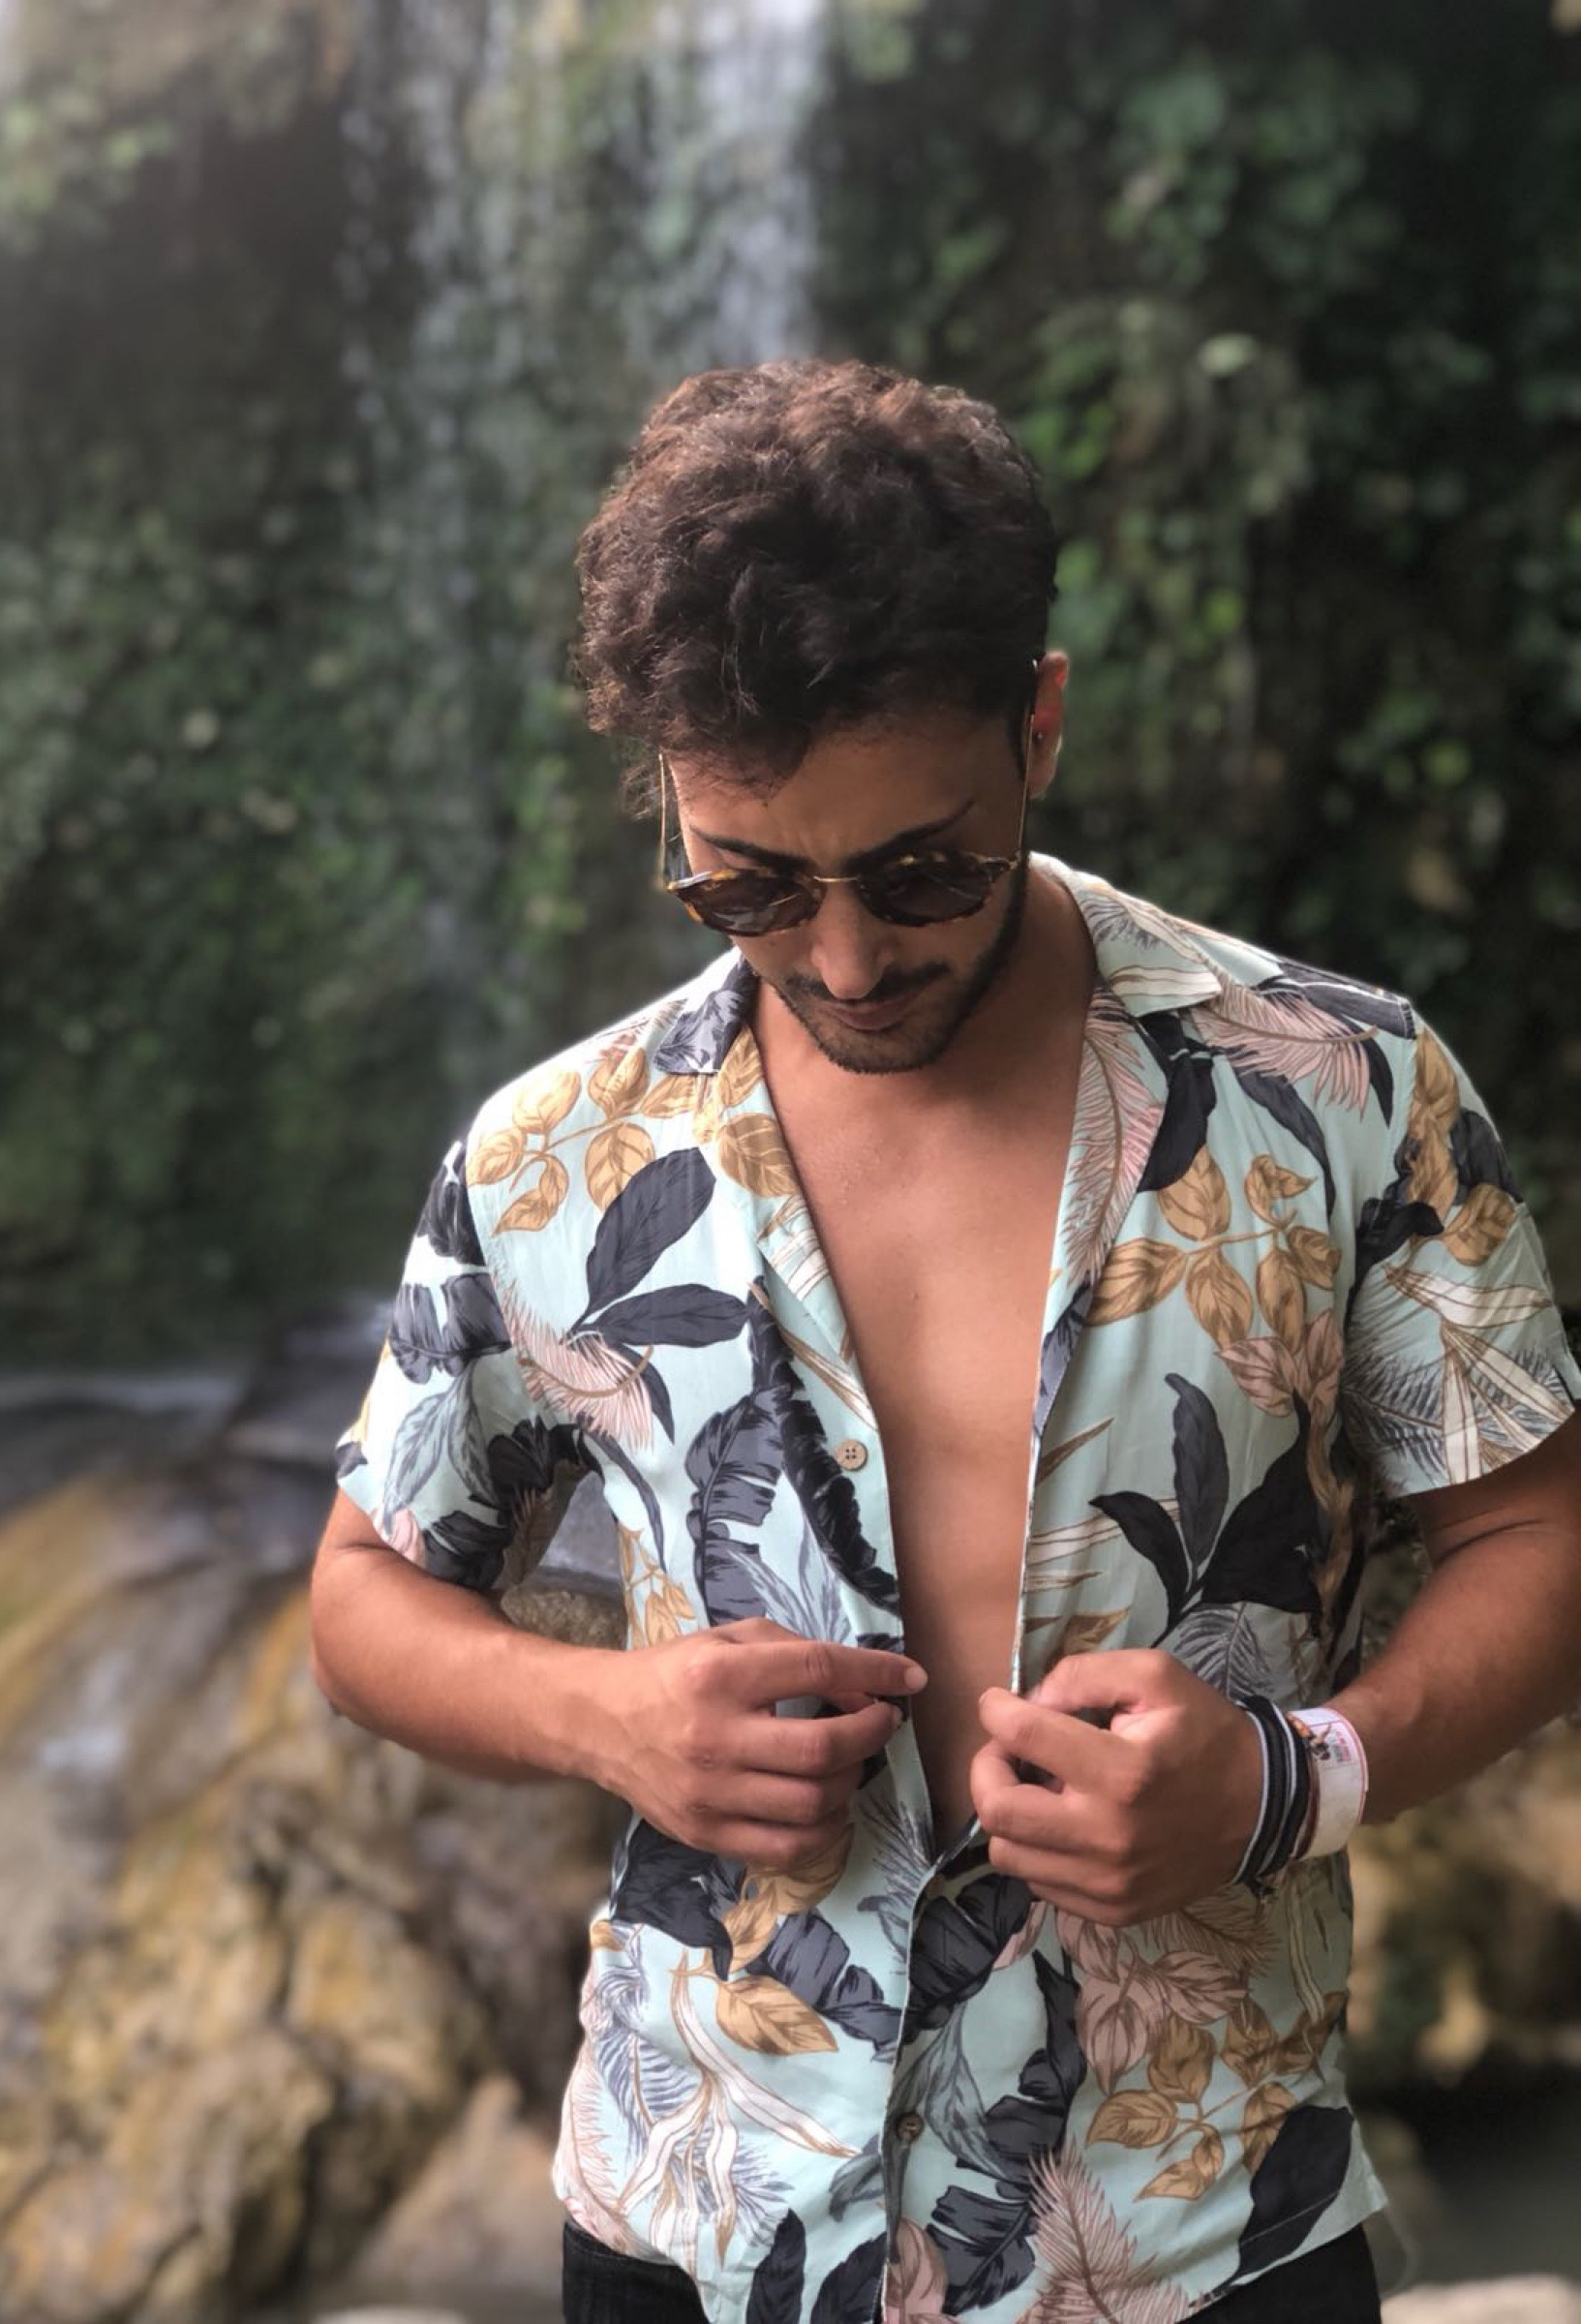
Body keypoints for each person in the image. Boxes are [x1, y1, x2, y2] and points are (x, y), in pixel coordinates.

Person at [308, 358, 1581, 2324]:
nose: (843, 958)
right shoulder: (552, 1158)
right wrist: (607, 1719)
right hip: (697, 2216)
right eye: (746, 882)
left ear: (1038, 725)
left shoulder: (1340, 1090)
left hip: (1197, 2227)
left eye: (921, 871)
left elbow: (1535, 1531)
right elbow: (363, 1595)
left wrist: (1291, 1779)